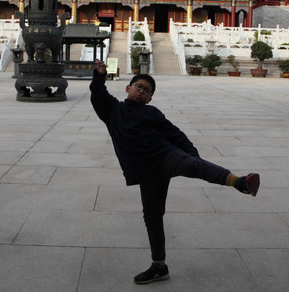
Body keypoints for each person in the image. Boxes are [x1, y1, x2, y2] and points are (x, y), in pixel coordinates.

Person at [89, 59, 259, 285]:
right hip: (145, 170)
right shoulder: (113, 110)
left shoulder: (152, 112)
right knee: (152, 217)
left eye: (147, 91)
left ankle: (241, 183)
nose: (142, 91)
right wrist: (99, 75)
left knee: (190, 165)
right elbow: (98, 94)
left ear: (150, 99)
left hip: (164, 155)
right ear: (128, 88)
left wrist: (192, 154)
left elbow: (174, 133)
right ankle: (159, 266)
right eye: (139, 86)